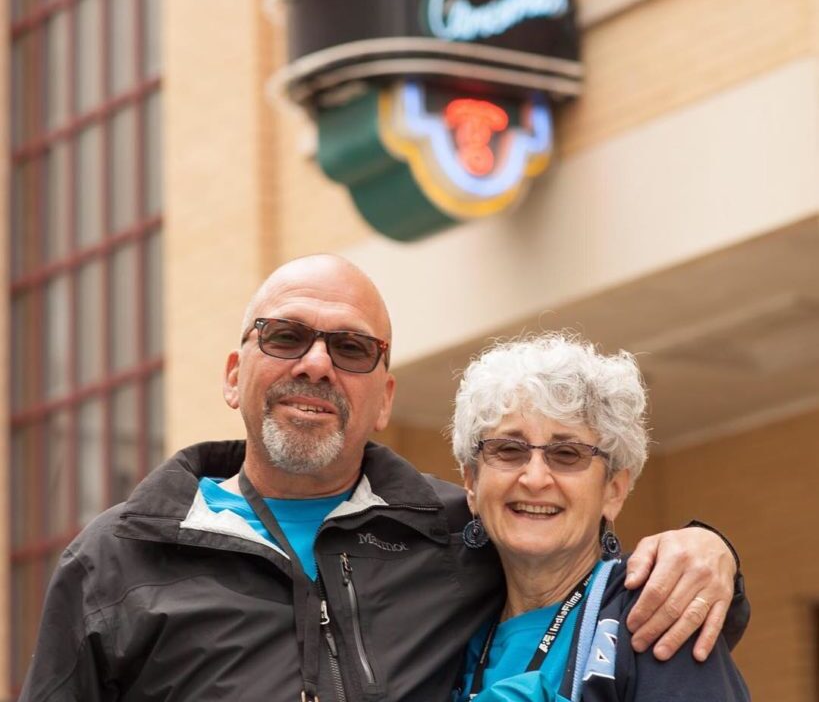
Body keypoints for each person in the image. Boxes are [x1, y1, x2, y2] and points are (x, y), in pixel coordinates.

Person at [21, 255, 748, 702]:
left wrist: (708, 550)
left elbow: (617, 602)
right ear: (235, 372)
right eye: (285, 335)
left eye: (350, 347)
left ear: (385, 399)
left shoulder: (452, 538)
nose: (315, 363)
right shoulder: (115, 561)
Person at [450, 333, 750, 701]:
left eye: (567, 454)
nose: (535, 478)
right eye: (509, 450)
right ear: (471, 482)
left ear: (614, 490)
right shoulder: (444, 624)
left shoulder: (653, 612)